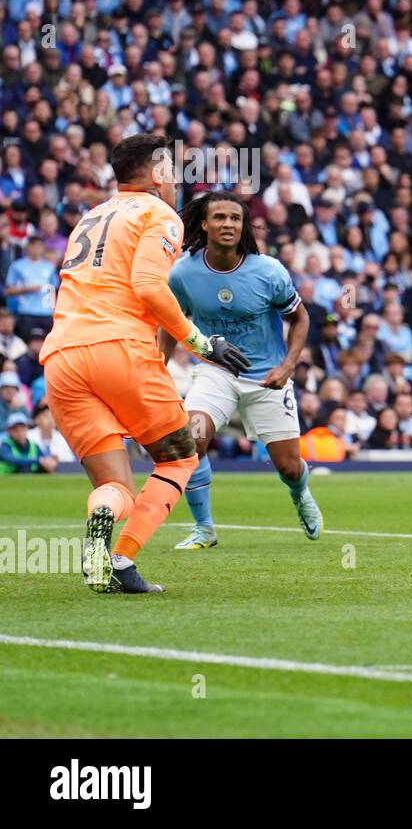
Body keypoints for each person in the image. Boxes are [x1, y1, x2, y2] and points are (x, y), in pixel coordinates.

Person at [38, 135, 249, 594]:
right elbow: (150, 286)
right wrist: (202, 344)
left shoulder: (91, 216)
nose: (175, 178)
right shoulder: (158, 213)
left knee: (115, 487)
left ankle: (102, 518)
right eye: (171, 169)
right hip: (119, 347)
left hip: (61, 356)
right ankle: (120, 560)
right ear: (157, 174)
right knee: (179, 458)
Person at [161, 192, 321, 549]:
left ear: (244, 226)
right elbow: (172, 322)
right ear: (205, 224)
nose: (228, 224)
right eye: (220, 217)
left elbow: (300, 318)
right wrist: (158, 367)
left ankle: (300, 493)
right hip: (215, 373)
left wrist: (287, 366)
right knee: (191, 439)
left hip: (267, 377)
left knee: (288, 467)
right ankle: (204, 529)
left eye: (235, 218)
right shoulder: (183, 273)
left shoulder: (268, 271)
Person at [0, 409, 57, 474]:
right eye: (15, 429)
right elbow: (11, 459)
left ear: (27, 429)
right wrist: (37, 460)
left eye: (22, 428)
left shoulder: (33, 445)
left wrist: (49, 462)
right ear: (9, 431)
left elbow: (43, 459)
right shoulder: (6, 445)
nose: (19, 432)